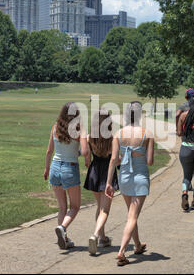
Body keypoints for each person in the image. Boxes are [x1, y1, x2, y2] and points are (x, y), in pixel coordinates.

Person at [105, 101, 154, 266]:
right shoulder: (147, 134)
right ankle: (122, 252)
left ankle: (138, 245)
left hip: (124, 177)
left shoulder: (118, 134)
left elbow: (114, 160)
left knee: (131, 214)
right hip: (140, 177)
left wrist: (108, 182)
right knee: (132, 216)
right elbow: (150, 161)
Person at [44, 102, 89, 249]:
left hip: (55, 167)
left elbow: (49, 151)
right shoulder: (78, 129)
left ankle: (63, 239)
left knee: (62, 207)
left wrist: (46, 169)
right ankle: (62, 229)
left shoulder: (55, 127)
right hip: (69, 168)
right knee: (75, 206)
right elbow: (85, 151)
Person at [84, 109, 119, 255]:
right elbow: (115, 160)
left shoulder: (89, 137)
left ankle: (103, 238)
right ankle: (96, 235)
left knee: (99, 207)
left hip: (94, 172)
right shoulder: (112, 138)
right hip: (107, 174)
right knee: (105, 210)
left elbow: (87, 160)